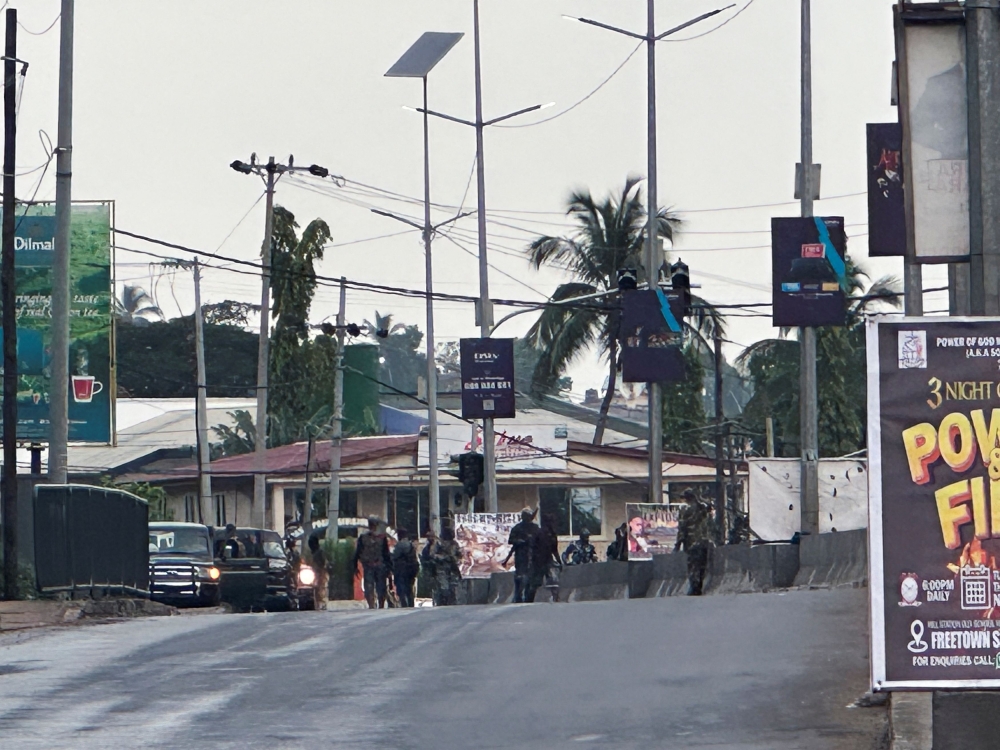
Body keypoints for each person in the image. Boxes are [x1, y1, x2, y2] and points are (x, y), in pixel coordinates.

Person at [674, 489, 715, 595]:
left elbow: (682, 529)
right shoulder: (703, 509)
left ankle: (695, 587)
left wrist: (678, 544)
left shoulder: (686, 511)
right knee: (702, 565)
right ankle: (699, 585)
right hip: (704, 542)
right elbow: (710, 522)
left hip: (692, 543)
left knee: (693, 566)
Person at [352, 516, 392, 609]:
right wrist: (355, 566)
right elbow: (358, 552)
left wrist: (389, 567)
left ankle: (380, 604)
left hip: (379, 566)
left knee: (380, 587)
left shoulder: (382, 538)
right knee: (369, 587)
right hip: (369, 566)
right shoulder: (364, 537)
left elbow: (386, 553)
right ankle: (372, 605)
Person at [505, 508, 539, 603]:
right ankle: (518, 595)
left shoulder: (535, 528)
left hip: (533, 555)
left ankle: (529, 595)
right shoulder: (517, 528)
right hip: (521, 554)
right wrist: (520, 541)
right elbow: (510, 540)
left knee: (531, 576)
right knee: (519, 576)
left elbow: (540, 540)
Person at [530, 514, 562, 603]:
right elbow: (532, 547)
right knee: (536, 582)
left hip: (547, 560)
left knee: (553, 581)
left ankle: (556, 598)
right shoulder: (539, 533)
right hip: (538, 561)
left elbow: (554, 550)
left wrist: (559, 561)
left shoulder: (552, 534)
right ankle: (529, 600)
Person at [432, 527, 462, 606]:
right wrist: (442, 557)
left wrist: (454, 559)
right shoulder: (439, 544)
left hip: (452, 568)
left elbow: (460, 556)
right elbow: (433, 555)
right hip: (442, 568)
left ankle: (451, 601)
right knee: (444, 588)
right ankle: (443, 602)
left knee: (452, 587)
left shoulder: (454, 544)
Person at [391, 528, 419, 608]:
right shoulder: (410, 544)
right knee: (409, 588)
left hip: (402, 570)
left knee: (401, 588)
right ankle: (411, 604)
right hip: (411, 569)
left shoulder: (400, 545)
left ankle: (404, 605)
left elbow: (395, 556)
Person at [307, 535, 329, 610]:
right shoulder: (313, 553)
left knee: (321, 589)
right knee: (316, 590)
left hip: (321, 573)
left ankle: (322, 604)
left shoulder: (320, 552)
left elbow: (324, 563)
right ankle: (318, 605)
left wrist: (321, 572)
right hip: (315, 574)